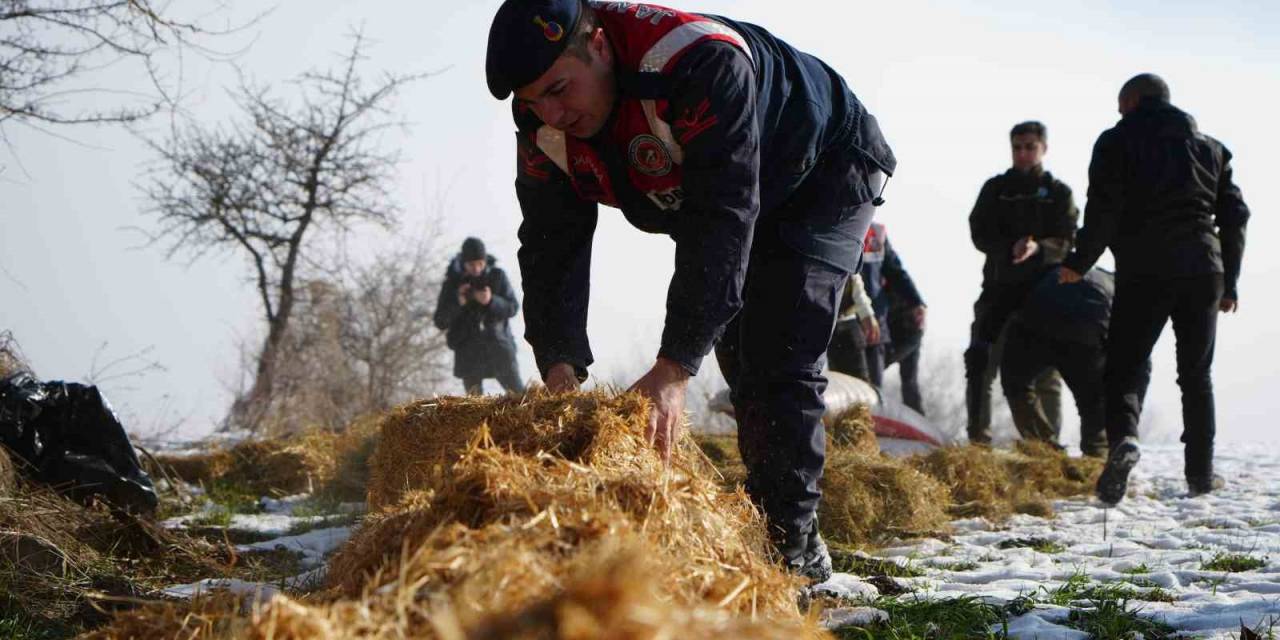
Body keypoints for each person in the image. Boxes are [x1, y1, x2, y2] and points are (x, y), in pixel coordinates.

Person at [487, 0, 896, 582]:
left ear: (599, 44)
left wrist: (675, 368)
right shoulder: (542, 128)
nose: (553, 113)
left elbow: (723, 220)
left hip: (819, 169)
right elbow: (551, 245)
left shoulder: (697, 63)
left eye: (560, 89)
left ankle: (792, 556)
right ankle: (774, 526)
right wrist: (559, 364)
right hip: (716, 193)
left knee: (778, 347)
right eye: (533, 103)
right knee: (736, 354)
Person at [1061, 74, 1250, 504]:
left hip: (1145, 268)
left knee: (1124, 365)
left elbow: (1103, 209)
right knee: (1197, 376)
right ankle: (1200, 475)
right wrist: (1231, 280)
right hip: (1204, 269)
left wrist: (1078, 263)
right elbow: (1236, 216)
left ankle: (1125, 439)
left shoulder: (1117, 140)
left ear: (1130, 101)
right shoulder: (1211, 149)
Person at [966, 121, 1077, 444]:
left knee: (1044, 373)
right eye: (1017, 147)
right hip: (998, 289)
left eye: (1030, 146)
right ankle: (978, 442)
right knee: (980, 364)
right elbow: (979, 232)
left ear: (1044, 148)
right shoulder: (996, 189)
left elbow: (1068, 239)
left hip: (1042, 295)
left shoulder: (1058, 192)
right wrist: (1008, 247)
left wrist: (1038, 248)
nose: (1023, 153)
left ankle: (1046, 448)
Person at [1001, 268, 1116, 457]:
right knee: (1093, 401)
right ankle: (1097, 458)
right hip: (1085, 332)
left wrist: (984, 342)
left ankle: (1044, 448)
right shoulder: (1113, 287)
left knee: (1017, 385)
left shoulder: (1054, 269)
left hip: (1037, 322)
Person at [433, 237, 526, 395]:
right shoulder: (452, 283)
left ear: (485, 261)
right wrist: (459, 302)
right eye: (471, 265)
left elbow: (513, 308)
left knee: (520, 398)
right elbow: (440, 321)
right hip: (467, 351)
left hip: (499, 347)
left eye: (480, 264)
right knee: (473, 407)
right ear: (463, 262)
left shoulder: (497, 276)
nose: (476, 269)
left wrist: (491, 301)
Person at [828, 271, 879, 384]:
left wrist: (867, 314)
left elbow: (855, 282)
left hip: (847, 327)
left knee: (861, 382)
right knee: (836, 381)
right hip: (824, 328)